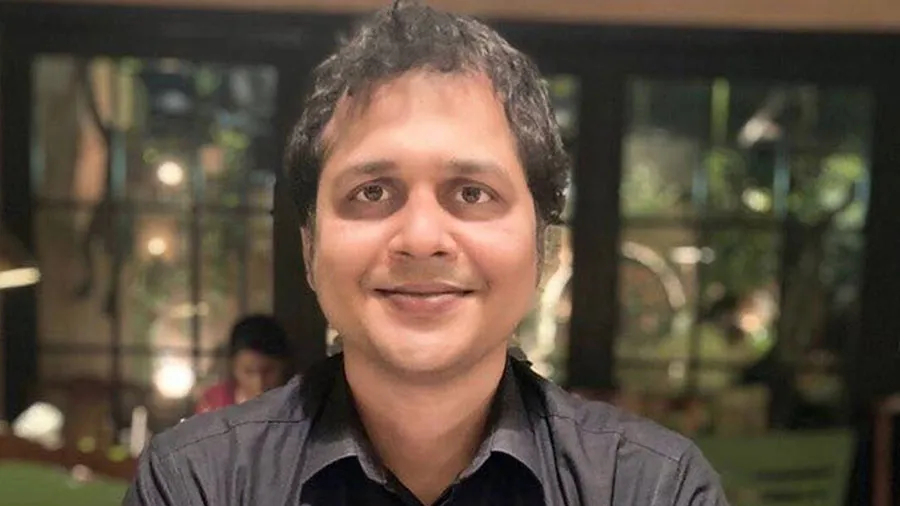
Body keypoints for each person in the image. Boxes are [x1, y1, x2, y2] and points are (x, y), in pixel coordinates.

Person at [123, 2, 729, 505]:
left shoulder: (650, 487)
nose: (420, 238)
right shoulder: (198, 484)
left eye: (472, 193)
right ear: (309, 248)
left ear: (543, 249)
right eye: (372, 192)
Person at [194, 314, 292, 414]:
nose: (259, 383)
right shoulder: (214, 404)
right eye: (248, 372)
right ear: (233, 367)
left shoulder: (295, 406)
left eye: (268, 371)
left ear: (284, 365)